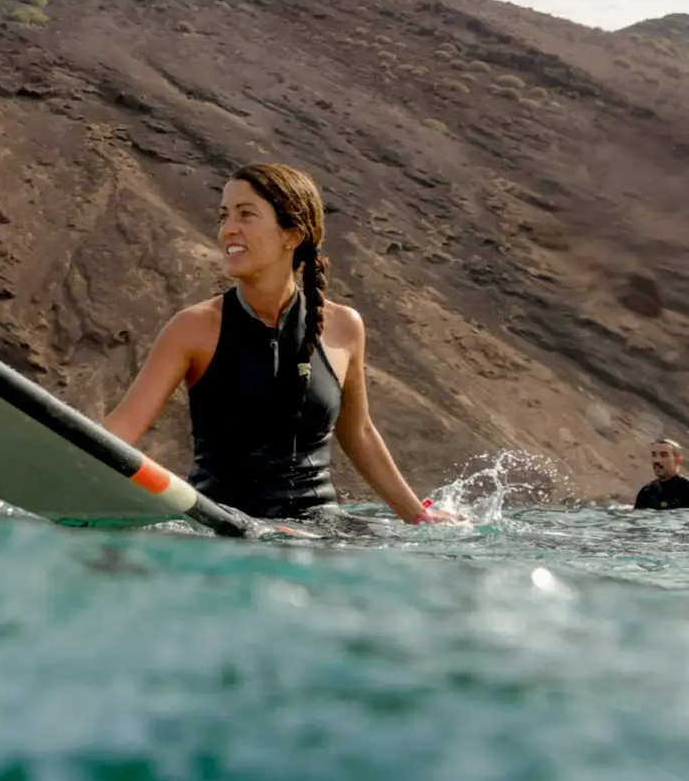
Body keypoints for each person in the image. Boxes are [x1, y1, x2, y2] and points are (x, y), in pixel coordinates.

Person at [104, 163, 454, 525]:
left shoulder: (343, 326)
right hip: (223, 529)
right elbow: (123, 428)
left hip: (321, 532)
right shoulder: (193, 328)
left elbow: (358, 432)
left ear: (293, 234)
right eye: (224, 216)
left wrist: (419, 517)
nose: (228, 229)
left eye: (246, 215)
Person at [633, 438, 689, 510]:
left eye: (663, 455)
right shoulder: (647, 492)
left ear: (678, 461)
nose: (656, 460)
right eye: (654, 455)